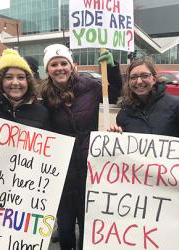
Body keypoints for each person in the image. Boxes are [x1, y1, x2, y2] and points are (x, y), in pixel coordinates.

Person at [39, 44, 122, 250]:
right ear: (47, 69)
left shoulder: (91, 87)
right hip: (62, 174)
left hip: (90, 170)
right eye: (54, 64)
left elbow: (114, 93)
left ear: (72, 66)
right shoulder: (43, 96)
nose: (59, 68)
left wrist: (111, 69)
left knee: (88, 226)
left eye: (63, 63)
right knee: (65, 228)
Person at [108, 57, 179, 227]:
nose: (139, 81)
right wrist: (116, 137)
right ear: (128, 82)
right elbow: (125, 155)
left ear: (154, 78)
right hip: (139, 193)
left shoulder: (177, 106)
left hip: (169, 189)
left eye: (144, 75)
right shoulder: (124, 114)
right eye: (133, 77)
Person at [0, 48, 49, 129]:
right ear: (0, 81)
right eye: (9, 77)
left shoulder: (42, 112)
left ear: (28, 81)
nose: (15, 83)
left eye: (21, 77)